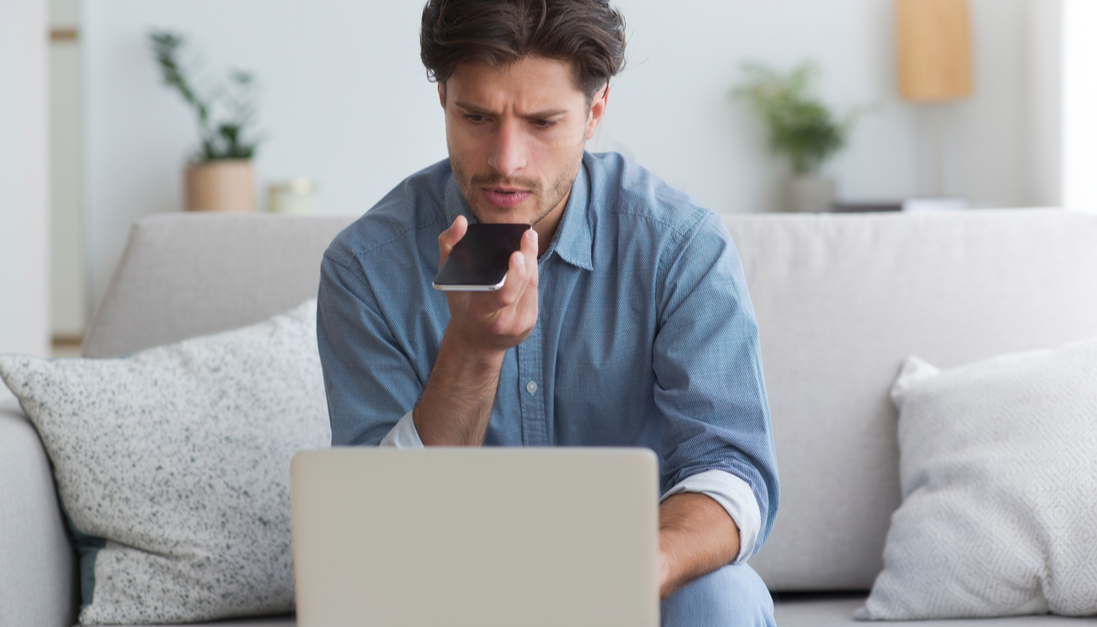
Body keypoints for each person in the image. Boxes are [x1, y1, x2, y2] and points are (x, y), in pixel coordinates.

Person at [315, 1, 779, 624]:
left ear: (595, 112)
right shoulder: (366, 268)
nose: (507, 161)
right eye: (477, 117)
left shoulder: (678, 246)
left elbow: (733, 471)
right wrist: (473, 351)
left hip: (631, 594)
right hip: (452, 600)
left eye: (542, 122)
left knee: (727, 596)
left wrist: (649, 563)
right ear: (443, 101)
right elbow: (381, 534)